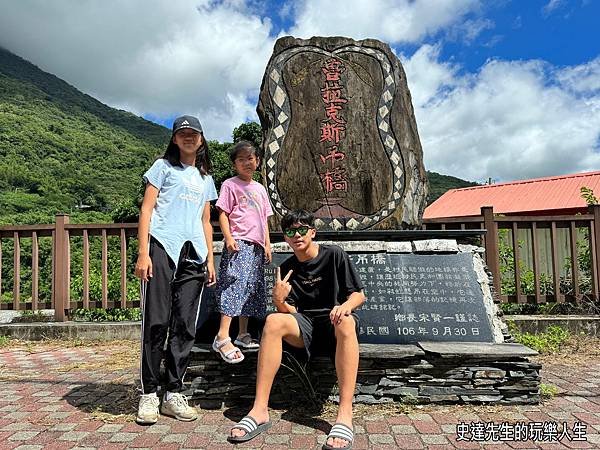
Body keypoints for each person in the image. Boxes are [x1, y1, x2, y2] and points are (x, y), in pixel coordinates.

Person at [228, 209, 366, 450]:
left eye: (302, 229)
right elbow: (291, 313)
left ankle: (345, 414)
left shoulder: (334, 255)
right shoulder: (288, 269)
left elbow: (359, 295)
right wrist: (279, 300)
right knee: (272, 321)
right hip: (306, 327)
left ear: (312, 232)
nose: (297, 235)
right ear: (285, 237)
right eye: (291, 231)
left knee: (346, 320)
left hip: (336, 325)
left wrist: (344, 307)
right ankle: (260, 409)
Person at [134, 115, 217, 425]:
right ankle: (149, 394)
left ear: (201, 139)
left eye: (193, 133)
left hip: (194, 253)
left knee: (184, 324)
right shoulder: (162, 167)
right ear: (174, 138)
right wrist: (144, 252)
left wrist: (209, 258)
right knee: (156, 321)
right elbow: (146, 209)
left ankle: (174, 393)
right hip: (161, 247)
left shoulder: (206, 178)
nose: (188, 137)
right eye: (182, 133)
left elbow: (206, 220)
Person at [213, 141, 273, 363]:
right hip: (239, 242)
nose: (247, 163)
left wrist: (267, 244)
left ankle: (242, 334)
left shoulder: (260, 189)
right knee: (235, 284)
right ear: (234, 164)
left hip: (257, 245)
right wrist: (228, 238)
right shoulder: (230, 185)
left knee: (250, 288)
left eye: (250, 158)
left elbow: (264, 221)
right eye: (241, 159)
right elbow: (223, 213)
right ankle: (222, 336)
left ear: (257, 161)